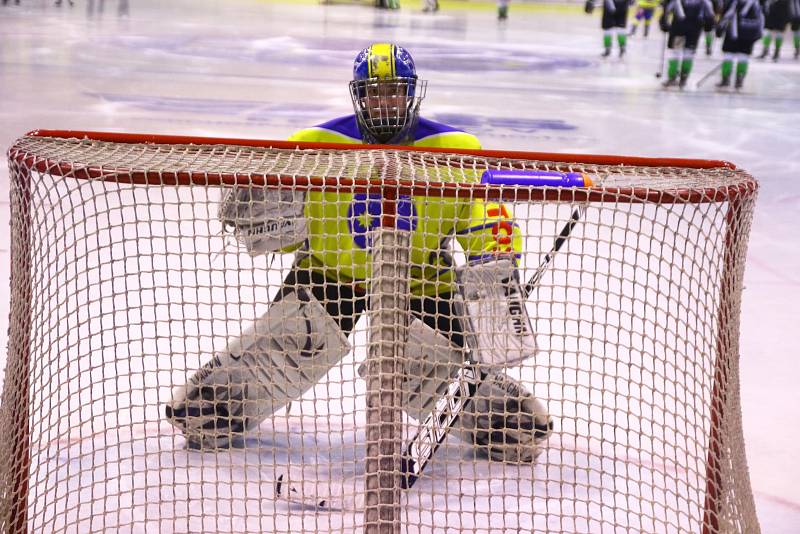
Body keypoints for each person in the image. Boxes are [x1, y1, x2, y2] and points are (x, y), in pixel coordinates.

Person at [165, 43, 554, 465]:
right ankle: (213, 409)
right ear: (359, 94)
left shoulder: (455, 148)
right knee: (290, 346)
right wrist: (258, 214)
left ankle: (499, 420)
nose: (384, 101)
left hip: (419, 278)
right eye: (374, 92)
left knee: (432, 366)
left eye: (394, 91)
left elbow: (487, 217)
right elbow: (288, 228)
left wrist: (495, 265)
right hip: (330, 272)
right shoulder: (313, 145)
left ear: (412, 93)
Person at [659, 0, 717, 88]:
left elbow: (667, 9)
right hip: (694, 30)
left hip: (678, 28)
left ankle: (672, 77)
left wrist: (664, 23)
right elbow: (710, 16)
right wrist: (708, 27)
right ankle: (683, 78)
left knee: (675, 53)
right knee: (688, 54)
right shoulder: (705, 1)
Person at [715, 0, 764, 89]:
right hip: (749, 34)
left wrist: (720, 28)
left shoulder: (734, 2)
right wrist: (759, 34)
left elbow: (727, 15)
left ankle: (725, 79)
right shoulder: (756, 3)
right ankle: (739, 80)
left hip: (733, 33)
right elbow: (761, 17)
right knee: (744, 56)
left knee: (728, 55)